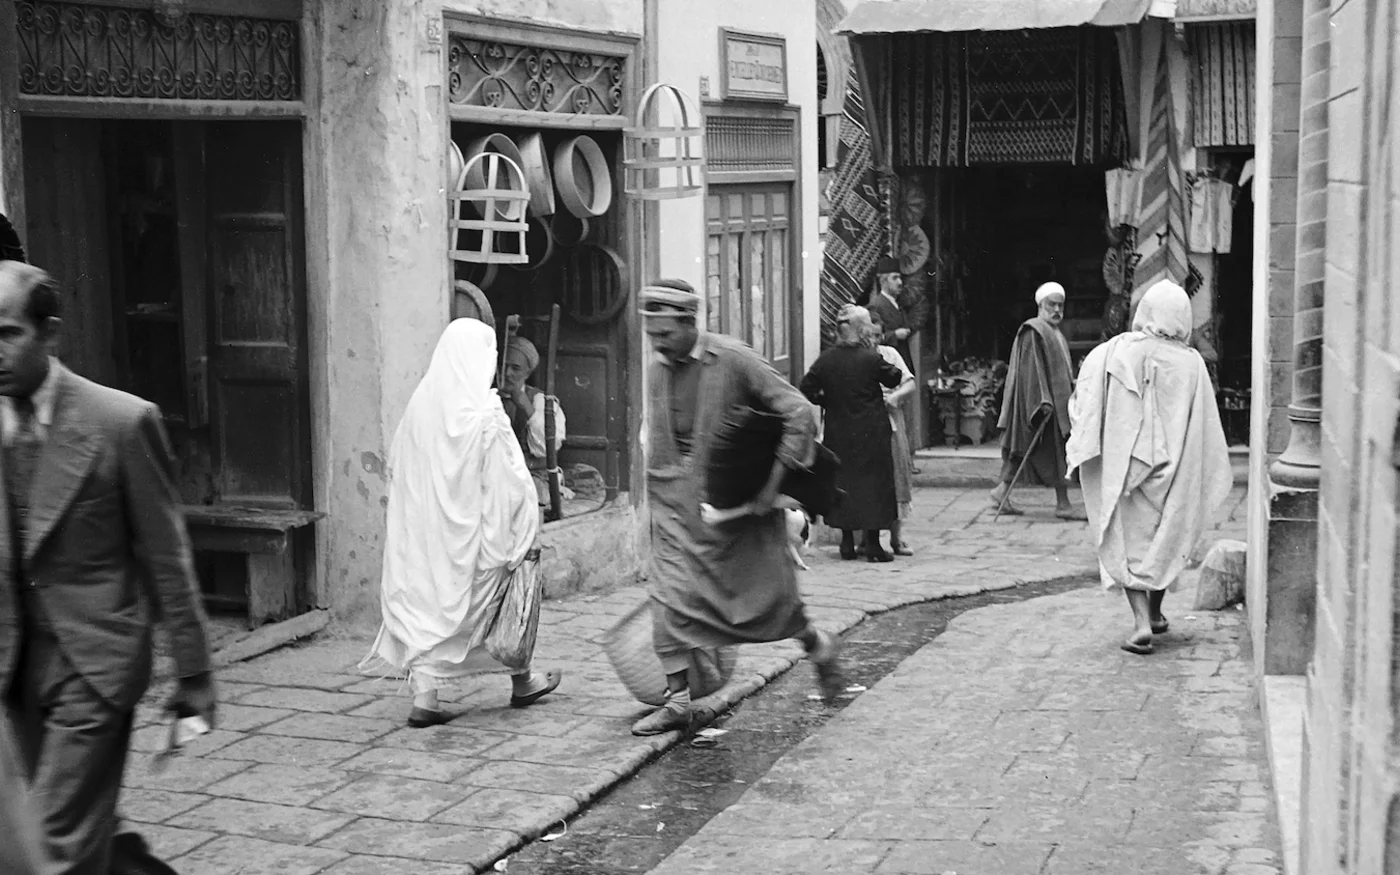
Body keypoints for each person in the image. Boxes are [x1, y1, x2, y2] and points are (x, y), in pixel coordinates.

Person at [0, 261, 217, 874]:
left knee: (48, 845)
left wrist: (194, 671)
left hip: (93, 664)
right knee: (83, 832)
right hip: (14, 664)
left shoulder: (118, 423)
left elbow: (167, 558)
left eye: (7, 333)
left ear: (49, 333)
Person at [633, 279, 844, 736]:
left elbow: (799, 412)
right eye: (652, 335)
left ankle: (818, 645)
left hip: (735, 510)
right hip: (673, 509)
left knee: (768, 603)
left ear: (691, 324)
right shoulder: (656, 369)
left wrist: (770, 488)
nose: (658, 344)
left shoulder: (734, 359)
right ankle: (677, 702)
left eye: (666, 333)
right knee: (666, 598)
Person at [360, 319, 561, 728]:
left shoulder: (419, 407)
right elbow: (511, 485)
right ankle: (522, 680)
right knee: (498, 605)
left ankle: (426, 698)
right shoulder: (485, 415)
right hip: (473, 541)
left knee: (424, 606)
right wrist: (522, 533)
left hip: (425, 540)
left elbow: (399, 470)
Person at [1066, 280, 1232, 655]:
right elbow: (1205, 426)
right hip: (1175, 472)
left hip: (1126, 473)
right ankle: (1155, 614)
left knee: (1127, 541)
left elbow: (1085, 399)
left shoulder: (1116, 352)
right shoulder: (1192, 365)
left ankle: (1143, 623)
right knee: (1164, 539)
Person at [800, 305, 904, 561]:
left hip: (839, 430)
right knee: (874, 485)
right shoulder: (870, 358)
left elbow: (807, 387)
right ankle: (873, 546)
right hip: (871, 432)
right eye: (867, 326)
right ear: (861, 329)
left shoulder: (827, 360)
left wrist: (827, 400)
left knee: (844, 483)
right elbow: (894, 377)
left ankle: (846, 544)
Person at [991, 281, 1086, 519]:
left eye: (1060, 305)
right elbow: (1031, 370)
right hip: (1042, 403)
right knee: (1051, 452)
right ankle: (1063, 504)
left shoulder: (1055, 332)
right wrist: (1042, 401)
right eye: (1051, 305)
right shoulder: (1034, 331)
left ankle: (1001, 491)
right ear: (1040, 306)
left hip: (1057, 402)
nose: (1056, 310)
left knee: (1024, 450)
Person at [499, 334, 570, 507]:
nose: (507, 373)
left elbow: (548, 448)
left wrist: (526, 407)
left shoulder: (541, 402)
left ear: (527, 372)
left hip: (532, 477)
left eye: (515, 368)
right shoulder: (486, 397)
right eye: (503, 366)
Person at [868, 310, 917, 555]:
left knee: (898, 475)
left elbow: (910, 381)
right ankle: (866, 538)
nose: (874, 340)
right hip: (866, 424)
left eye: (878, 335)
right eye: (870, 335)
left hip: (891, 420)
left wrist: (896, 396)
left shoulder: (890, 355)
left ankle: (896, 538)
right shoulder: (858, 358)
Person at [864, 256, 920, 471]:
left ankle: (907, 459)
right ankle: (903, 460)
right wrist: (894, 334)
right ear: (884, 280)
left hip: (900, 364)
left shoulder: (897, 304)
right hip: (888, 367)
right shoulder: (877, 305)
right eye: (895, 278)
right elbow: (873, 336)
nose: (900, 283)